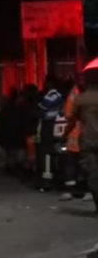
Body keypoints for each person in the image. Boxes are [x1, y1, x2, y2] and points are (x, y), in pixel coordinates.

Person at [64, 67, 98, 213]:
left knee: (93, 173)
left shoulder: (81, 99)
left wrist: (64, 134)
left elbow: (72, 119)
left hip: (88, 140)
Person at [37, 76, 64, 192]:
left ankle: (47, 181)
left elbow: (42, 108)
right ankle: (51, 179)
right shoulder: (58, 96)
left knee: (46, 154)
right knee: (51, 154)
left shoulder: (52, 95)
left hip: (49, 126)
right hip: (53, 126)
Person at [0, 88, 25, 177]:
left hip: (12, 137)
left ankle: (13, 168)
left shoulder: (8, 110)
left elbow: (1, 125)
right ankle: (14, 168)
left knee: (13, 155)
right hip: (15, 137)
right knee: (15, 155)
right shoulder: (19, 110)